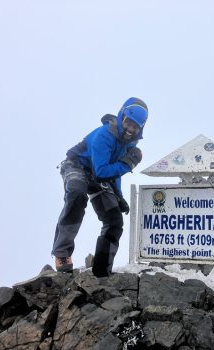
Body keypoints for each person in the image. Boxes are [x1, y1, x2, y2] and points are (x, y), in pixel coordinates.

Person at [52, 97, 148, 277]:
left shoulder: (130, 144)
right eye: (128, 123)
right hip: (77, 166)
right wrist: (128, 165)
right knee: (77, 195)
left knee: (114, 219)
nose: (130, 130)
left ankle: (101, 272)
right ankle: (62, 254)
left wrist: (118, 197)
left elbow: (113, 173)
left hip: (98, 175)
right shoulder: (104, 135)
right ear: (121, 117)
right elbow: (103, 172)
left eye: (135, 127)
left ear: (141, 128)